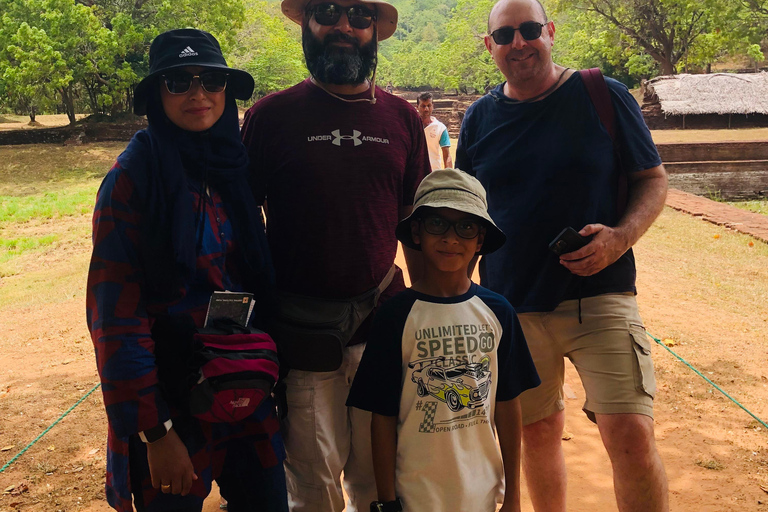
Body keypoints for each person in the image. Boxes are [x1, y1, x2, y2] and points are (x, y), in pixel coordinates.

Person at [455, 1, 670, 511]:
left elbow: (652, 179)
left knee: (631, 434)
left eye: (530, 30)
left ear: (550, 32)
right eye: (504, 35)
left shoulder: (602, 95)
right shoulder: (480, 118)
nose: (519, 43)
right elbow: (466, 214)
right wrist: (459, 297)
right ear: (490, 47)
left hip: (599, 294)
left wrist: (620, 237)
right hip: (513, 304)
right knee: (537, 433)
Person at [240, 1, 431, 511]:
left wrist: (433, 307)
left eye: (359, 16)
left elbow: (415, 220)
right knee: (312, 478)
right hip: (302, 335)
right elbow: (239, 223)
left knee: (380, 475)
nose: (344, 26)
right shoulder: (269, 116)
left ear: (374, 32)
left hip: (383, 323)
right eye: (327, 11)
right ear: (307, 24)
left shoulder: (403, 119)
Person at [86, 29, 288, 512]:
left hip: (244, 383)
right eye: (178, 81)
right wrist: (155, 433)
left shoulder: (231, 168)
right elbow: (116, 319)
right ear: (157, 95)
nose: (198, 93)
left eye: (211, 80)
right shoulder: (132, 181)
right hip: (172, 397)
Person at [347, 169, 540, 512]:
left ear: (480, 239)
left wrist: (514, 496)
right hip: (415, 493)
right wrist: (388, 500)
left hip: (482, 490)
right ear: (417, 232)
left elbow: (508, 405)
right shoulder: (395, 315)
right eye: (438, 223)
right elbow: (383, 417)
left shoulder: (498, 312)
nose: (451, 239)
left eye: (466, 227)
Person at [417, 92, 453, 171]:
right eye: (423, 106)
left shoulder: (440, 128)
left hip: (433, 173)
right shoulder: (411, 125)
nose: (426, 109)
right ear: (417, 107)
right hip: (414, 173)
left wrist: (449, 175)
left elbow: (447, 155)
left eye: (429, 106)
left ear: (433, 106)